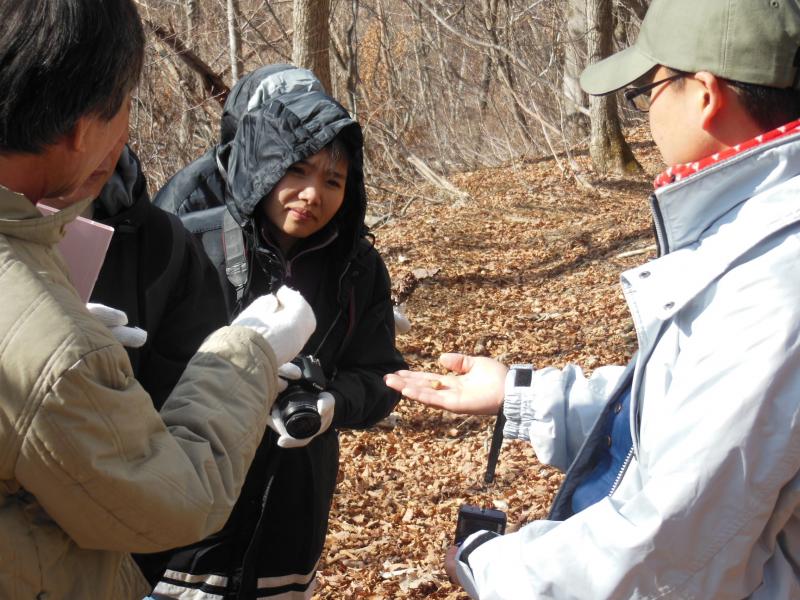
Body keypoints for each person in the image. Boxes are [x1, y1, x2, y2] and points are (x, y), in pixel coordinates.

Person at [385, 0, 800, 597]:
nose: (646, 107)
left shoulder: (770, 286)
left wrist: (493, 568)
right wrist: (521, 393)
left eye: (649, 87)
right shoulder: (754, 238)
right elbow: (680, 410)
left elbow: (670, 546)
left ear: (706, 95)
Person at [0, 2, 316, 598]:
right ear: (79, 123)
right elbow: (169, 499)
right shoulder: (187, 214)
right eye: (123, 102)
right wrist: (247, 357)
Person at [152, 65, 406, 599]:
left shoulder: (357, 268)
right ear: (263, 167)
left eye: (332, 181)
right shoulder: (193, 244)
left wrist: (332, 401)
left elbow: (382, 375)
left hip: (288, 531)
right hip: (179, 536)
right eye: (296, 171)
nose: (312, 195)